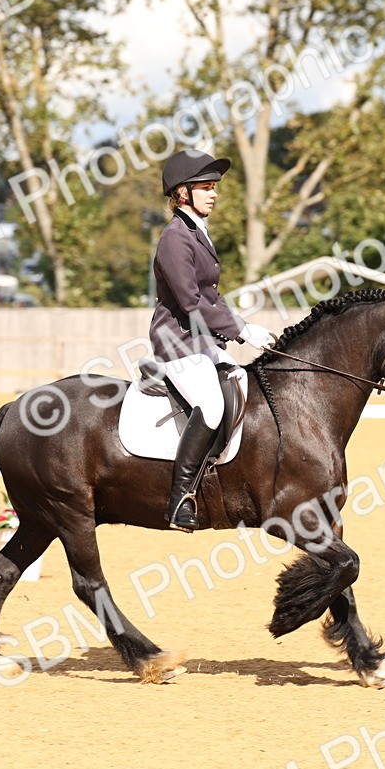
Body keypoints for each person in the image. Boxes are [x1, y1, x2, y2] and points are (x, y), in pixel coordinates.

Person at [150, 149, 277, 532]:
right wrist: (241, 331)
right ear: (182, 193)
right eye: (205, 187)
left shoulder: (196, 233)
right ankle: (180, 499)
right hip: (177, 342)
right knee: (209, 402)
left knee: (241, 385)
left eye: (214, 187)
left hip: (201, 340)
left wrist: (240, 325)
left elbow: (211, 296)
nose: (214, 193)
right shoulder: (175, 238)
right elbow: (190, 301)